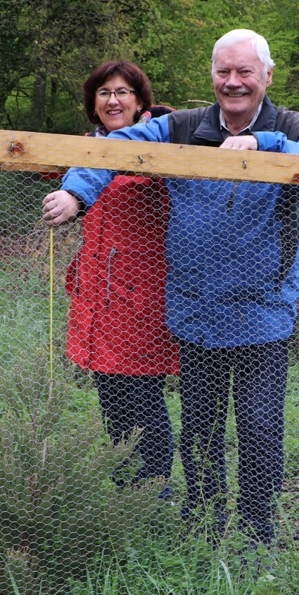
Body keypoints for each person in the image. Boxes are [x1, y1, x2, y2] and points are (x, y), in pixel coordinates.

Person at [43, 30, 299, 545]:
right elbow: (119, 146)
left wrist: (262, 145)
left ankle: (256, 532)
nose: (234, 82)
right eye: (224, 72)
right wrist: (76, 192)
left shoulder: (290, 127)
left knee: (260, 429)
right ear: (212, 76)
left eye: (245, 72)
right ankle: (204, 524)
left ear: (266, 76)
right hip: (195, 312)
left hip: (261, 312)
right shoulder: (184, 126)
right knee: (200, 430)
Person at [60, 61, 180, 494]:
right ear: (94, 104)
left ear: (140, 102)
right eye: (104, 93)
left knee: (143, 397)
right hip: (96, 294)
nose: (113, 100)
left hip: (139, 296)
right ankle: (124, 483)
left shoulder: (158, 147)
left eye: (123, 92)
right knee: (109, 395)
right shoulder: (87, 151)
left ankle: (155, 492)